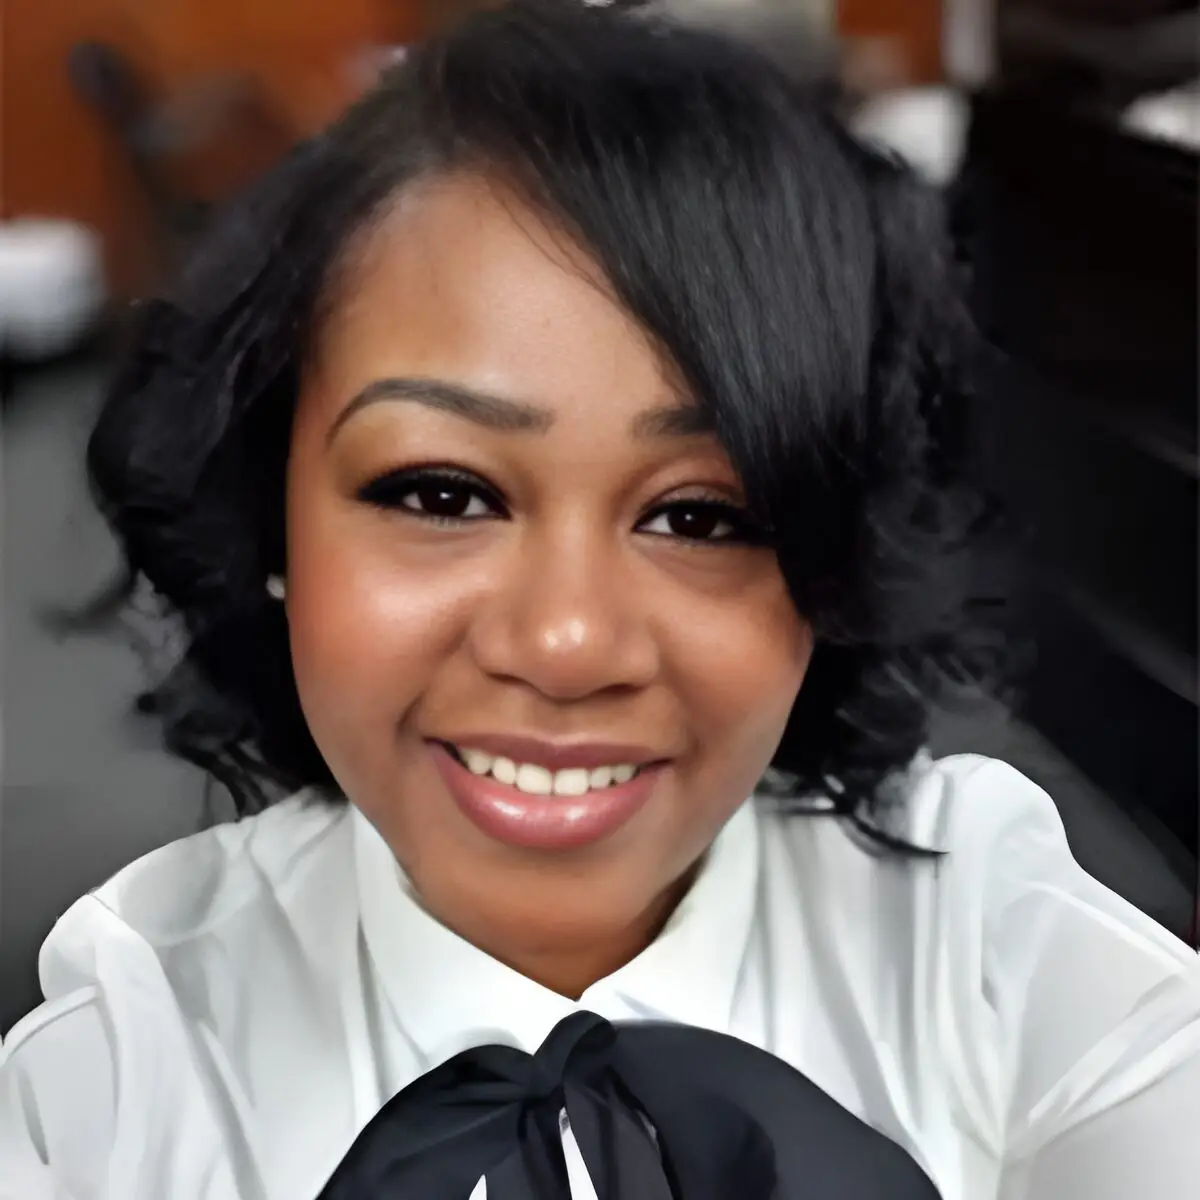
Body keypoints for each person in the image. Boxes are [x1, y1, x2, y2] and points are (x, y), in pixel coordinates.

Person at [2, 3, 1197, 1197]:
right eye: (442, 492)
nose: (567, 642)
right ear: (272, 518)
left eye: (702, 516)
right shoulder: (122, 1065)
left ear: (836, 562)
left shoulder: (987, 948)